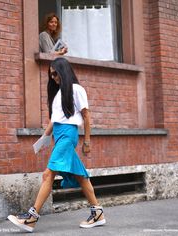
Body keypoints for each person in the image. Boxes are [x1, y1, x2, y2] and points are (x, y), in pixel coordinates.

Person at [7, 58, 106, 233]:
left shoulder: (76, 89)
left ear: (63, 71)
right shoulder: (58, 93)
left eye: (55, 73)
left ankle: (31, 218)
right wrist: (44, 138)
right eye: (50, 74)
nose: (53, 77)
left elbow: (86, 116)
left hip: (68, 135)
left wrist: (88, 141)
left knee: (48, 174)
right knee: (80, 176)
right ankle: (98, 213)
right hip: (59, 136)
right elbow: (55, 120)